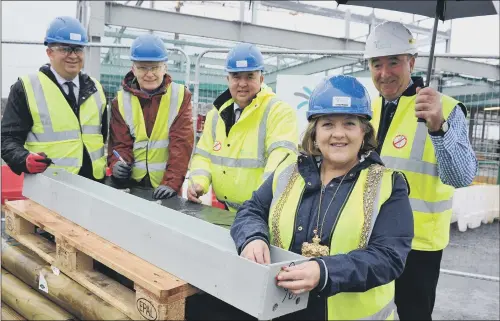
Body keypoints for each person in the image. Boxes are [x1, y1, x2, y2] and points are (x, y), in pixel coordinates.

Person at [230, 75, 414, 320]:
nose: (338, 134)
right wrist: (252, 238)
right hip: (284, 311)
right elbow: (251, 210)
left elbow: (388, 256)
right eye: (328, 124)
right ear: (314, 132)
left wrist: (324, 271)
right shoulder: (288, 173)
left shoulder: (389, 184)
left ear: (363, 132)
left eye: (349, 123)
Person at [364, 21, 478, 320]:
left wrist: (439, 129)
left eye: (394, 62)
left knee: (413, 314)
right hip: (368, 237)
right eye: (377, 63)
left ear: (411, 62)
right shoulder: (365, 111)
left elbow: (462, 176)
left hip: (418, 246)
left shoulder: (444, 108)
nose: (384, 73)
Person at [187, 43, 298, 211]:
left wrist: (260, 203)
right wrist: (198, 184)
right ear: (228, 79)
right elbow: (204, 156)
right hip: (225, 210)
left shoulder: (278, 112)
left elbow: (280, 160)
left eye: (250, 76)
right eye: (236, 76)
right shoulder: (216, 115)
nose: (242, 83)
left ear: (261, 79)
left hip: (262, 212)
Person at [1, 16, 108, 181]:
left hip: (93, 183)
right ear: (49, 52)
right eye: (65, 49)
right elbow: (7, 139)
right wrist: (23, 160)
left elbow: (102, 134)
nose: (73, 55)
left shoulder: (96, 89)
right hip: (48, 184)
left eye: (78, 49)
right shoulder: (26, 88)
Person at [107, 33, 194, 199]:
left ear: (164, 68)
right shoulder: (121, 101)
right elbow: (119, 143)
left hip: (165, 187)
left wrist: (171, 182)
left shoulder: (180, 96)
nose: (149, 74)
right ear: (133, 69)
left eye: (154, 67)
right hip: (131, 184)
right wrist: (117, 163)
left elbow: (181, 144)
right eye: (142, 68)